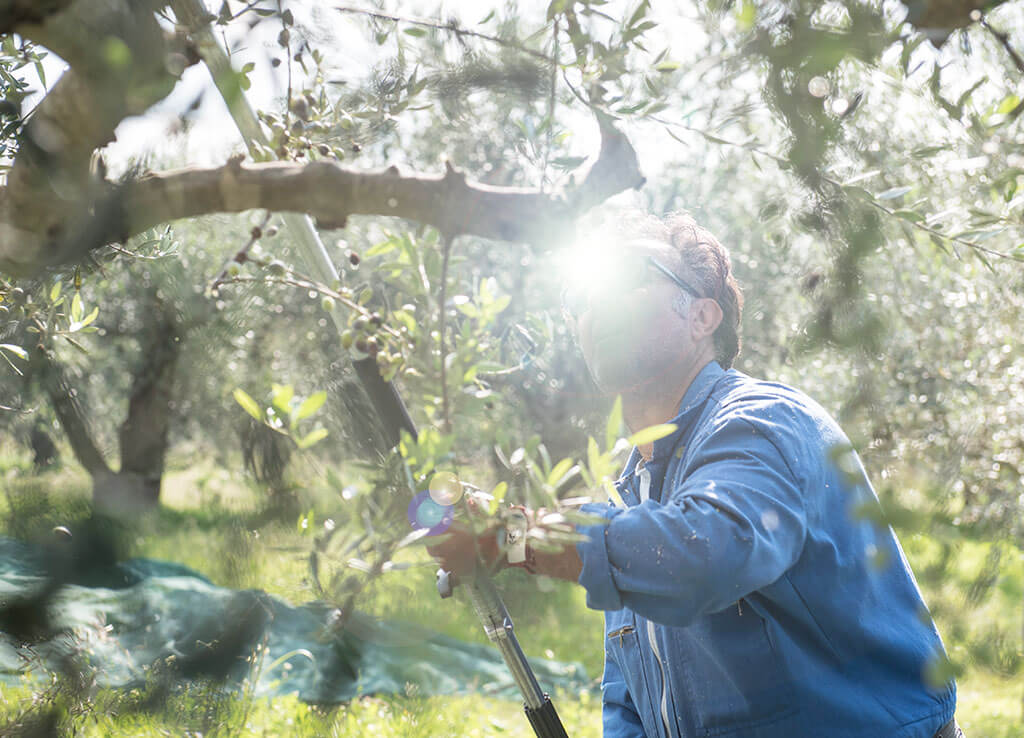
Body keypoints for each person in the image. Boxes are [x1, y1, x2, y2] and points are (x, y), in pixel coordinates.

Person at [429, 213, 959, 738]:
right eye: (580, 301)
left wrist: (518, 537)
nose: (594, 307)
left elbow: (700, 554)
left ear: (703, 317)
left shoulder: (763, 421)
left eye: (627, 278)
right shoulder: (634, 501)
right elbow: (630, 701)